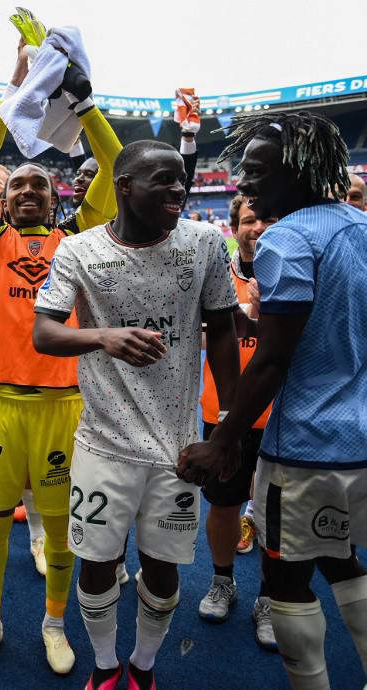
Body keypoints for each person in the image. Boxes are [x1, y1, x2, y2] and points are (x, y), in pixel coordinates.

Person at [33, 139, 241, 690]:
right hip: (102, 445)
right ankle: (105, 667)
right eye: (163, 179)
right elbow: (44, 332)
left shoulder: (203, 244)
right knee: (98, 563)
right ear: (124, 186)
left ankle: (143, 667)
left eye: (182, 178)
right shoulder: (78, 249)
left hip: (179, 449)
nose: (180, 187)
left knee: (164, 568)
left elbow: (220, 328)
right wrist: (103, 336)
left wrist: (228, 429)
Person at [178, 111, 367, 689]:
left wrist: (223, 442)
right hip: (359, 437)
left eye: (257, 172)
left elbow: (274, 357)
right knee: (342, 559)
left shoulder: (288, 237)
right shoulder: (360, 227)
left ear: (298, 170)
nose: (244, 183)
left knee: (286, 582)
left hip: (304, 446)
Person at [0, 37, 121, 674]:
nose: (26, 190)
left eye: (39, 184)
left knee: (59, 530)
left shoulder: (79, 240)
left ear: (56, 199)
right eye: (18, 184)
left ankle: (54, 626)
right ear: (3, 201)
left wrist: (84, 109)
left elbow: (114, 168)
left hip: (63, 406)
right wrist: (18, 100)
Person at [196, 194, 276, 650]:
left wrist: (262, 319)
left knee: (272, 513)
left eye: (267, 218)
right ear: (235, 227)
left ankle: (268, 596)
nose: (258, 227)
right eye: (249, 220)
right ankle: (223, 580)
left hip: (279, 415)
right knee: (223, 504)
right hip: (222, 413)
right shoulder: (218, 277)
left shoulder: (293, 275)